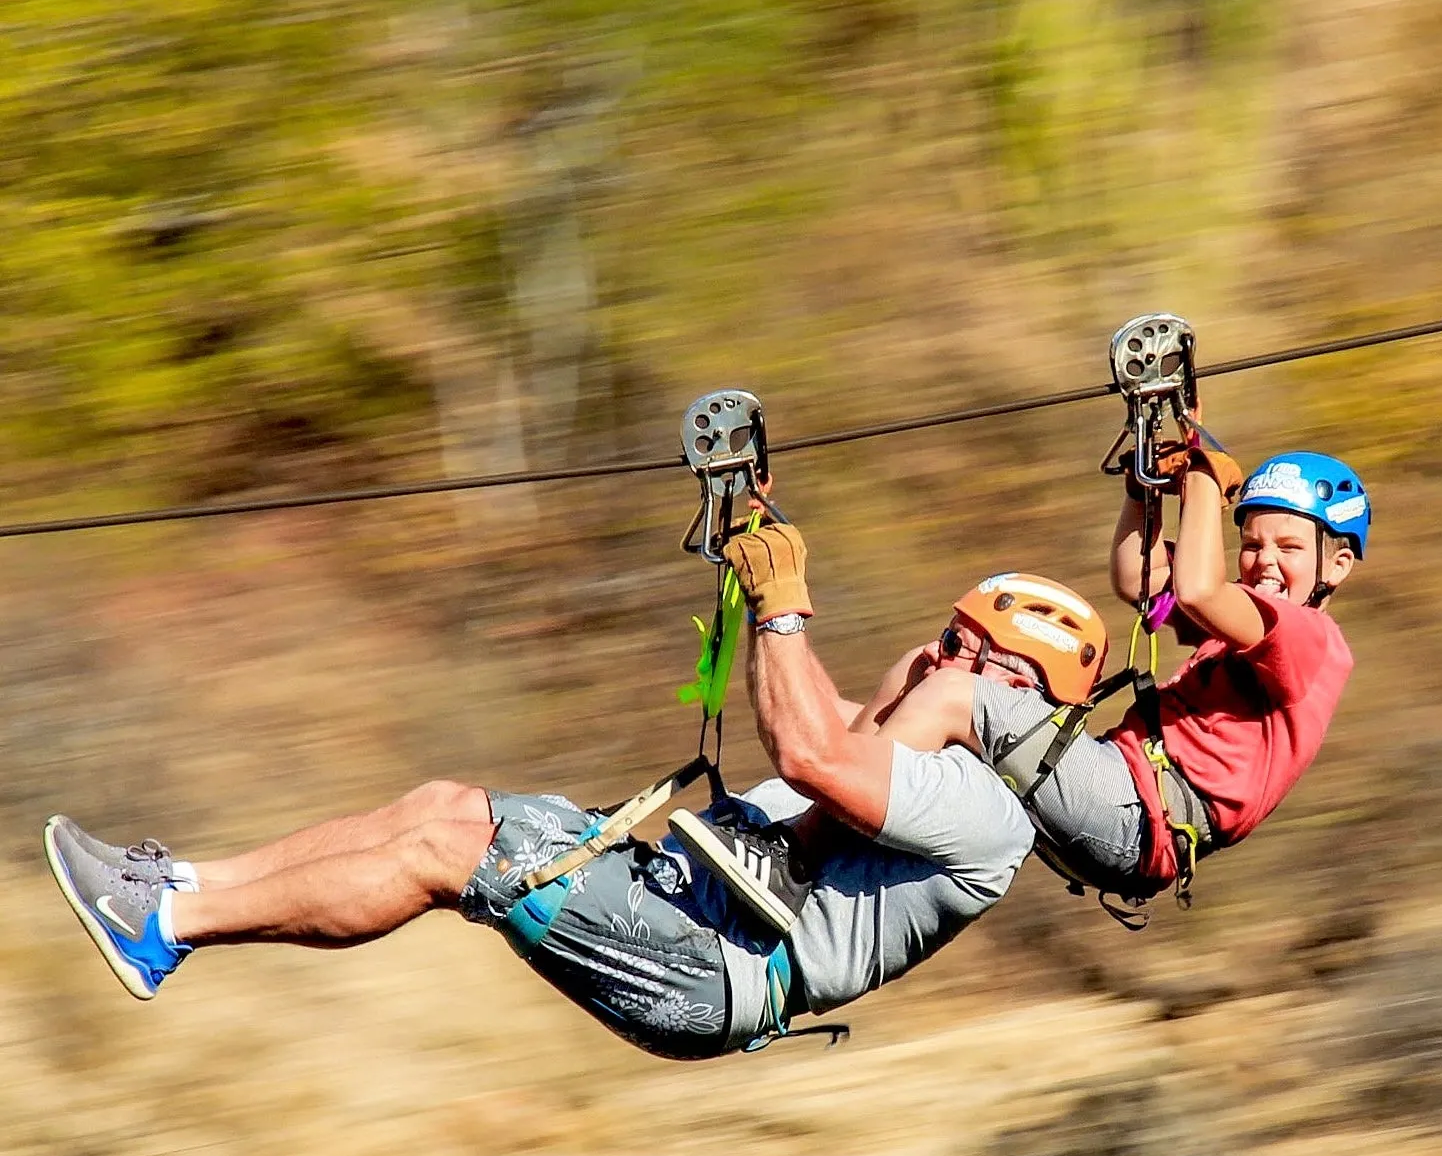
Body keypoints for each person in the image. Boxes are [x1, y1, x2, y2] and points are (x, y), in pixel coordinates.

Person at [43, 534, 1110, 1059]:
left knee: (451, 855)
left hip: (720, 968)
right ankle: (174, 887)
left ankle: (165, 925)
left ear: (1025, 697)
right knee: (444, 806)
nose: (940, 660)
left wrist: (789, 605)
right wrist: (755, 557)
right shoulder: (923, 748)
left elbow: (811, 753)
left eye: (972, 656)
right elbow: (810, 718)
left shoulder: (986, 810)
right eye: (947, 637)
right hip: (687, 903)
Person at [673, 442, 1369, 925]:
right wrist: (1141, 489)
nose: (1262, 561)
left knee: (954, 698)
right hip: (1119, 797)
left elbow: (1194, 582)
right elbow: (1138, 581)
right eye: (1251, 541)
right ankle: (820, 783)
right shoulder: (1240, 627)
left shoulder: (1310, 641)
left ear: (1334, 565)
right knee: (931, 670)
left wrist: (1200, 487)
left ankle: (797, 857)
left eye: (1287, 548)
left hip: (1138, 813)